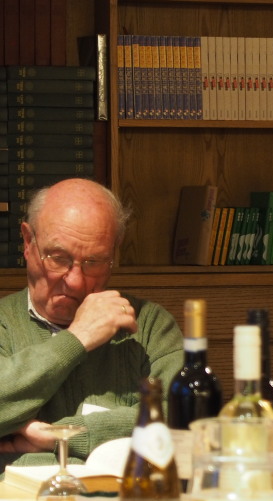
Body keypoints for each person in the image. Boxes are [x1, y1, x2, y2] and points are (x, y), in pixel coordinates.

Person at [0, 178, 183, 472]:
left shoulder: (150, 326)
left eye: (94, 262)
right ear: (27, 242)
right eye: (58, 258)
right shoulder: (4, 322)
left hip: (124, 493)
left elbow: (177, 420)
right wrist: (76, 339)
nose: (75, 281)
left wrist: (59, 437)